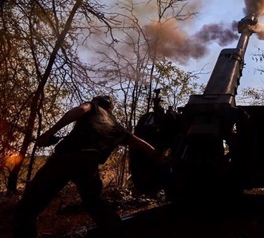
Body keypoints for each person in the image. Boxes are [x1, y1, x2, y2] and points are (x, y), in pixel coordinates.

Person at [13, 95, 167, 238]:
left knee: (27, 208)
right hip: (88, 164)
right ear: (110, 108)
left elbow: (80, 110)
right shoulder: (118, 128)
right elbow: (143, 145)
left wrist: (50, 132)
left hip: (64, 159)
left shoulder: (92, 107)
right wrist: (161, 160)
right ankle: (119, 233)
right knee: (95, 203)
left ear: (97, 102)